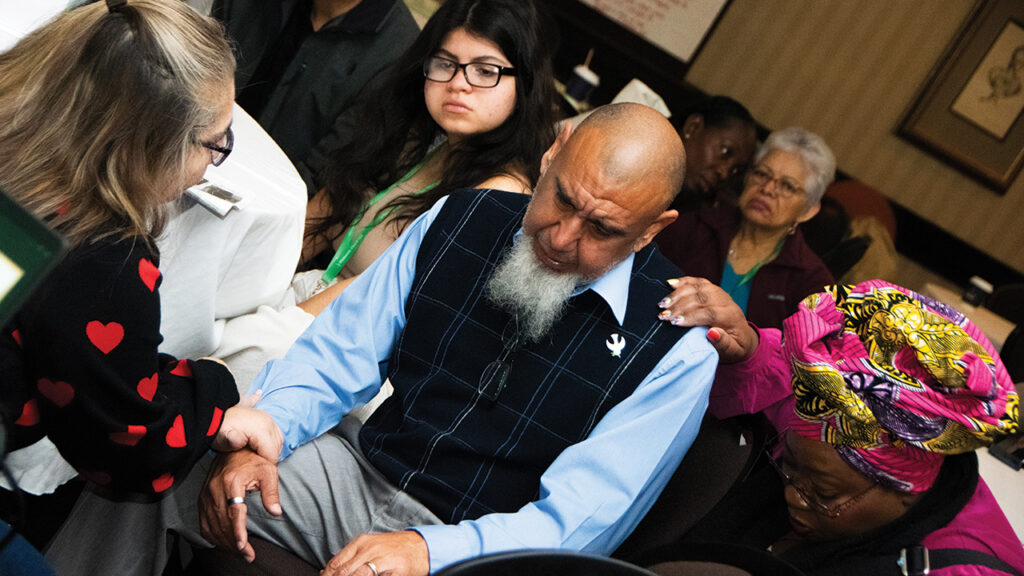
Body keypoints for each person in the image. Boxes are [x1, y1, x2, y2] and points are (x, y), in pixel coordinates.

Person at [195, 103, 715, 576]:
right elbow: (336, 356)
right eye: (562, 199)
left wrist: (427, 551)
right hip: (359, 476)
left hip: (478, 555)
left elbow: (575, 526)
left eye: (602, 229)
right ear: (551, 156)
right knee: (181, 465)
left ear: (650, 231)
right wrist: (269, 435)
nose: (561, 237)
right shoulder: (460, 217)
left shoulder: (676, 351)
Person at [0, 0, 277, 500]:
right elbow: (126, 454)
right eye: (213, 144)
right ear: (147, 144)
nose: (214, 163)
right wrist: (216, 392)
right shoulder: (100, 258)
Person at [656, 277, 1024, 575]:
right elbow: (783, 385)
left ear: (907, 491)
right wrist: (749, 353)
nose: (793, 496)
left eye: (824, 492)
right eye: (789, 468)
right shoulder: (834, 428)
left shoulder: (965, 570)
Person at [298, 0, 559, 313]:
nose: (458, 84)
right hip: (305, 298)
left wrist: (284, 320)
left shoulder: (499, 193)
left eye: (485, 71)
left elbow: (379, 296)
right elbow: (324, 214)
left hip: (339, 335)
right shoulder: (425, 138)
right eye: (445, 64)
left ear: (526, 84)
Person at [212, 0, 420, 196]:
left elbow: (325, 173)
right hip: (193, 154)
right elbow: (197, 80)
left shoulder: (398, 51)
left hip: (268, 204)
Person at [655, 126, 835, 330]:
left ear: (808, 210)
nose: (767, 189)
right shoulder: (695, 226)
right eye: (761, 174)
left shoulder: (811, 282)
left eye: (787, 186)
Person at [672, 95, 758, 213]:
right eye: (725, 152)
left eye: (735, 170)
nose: (724, 173)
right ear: (693, 127)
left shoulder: (695, 212)